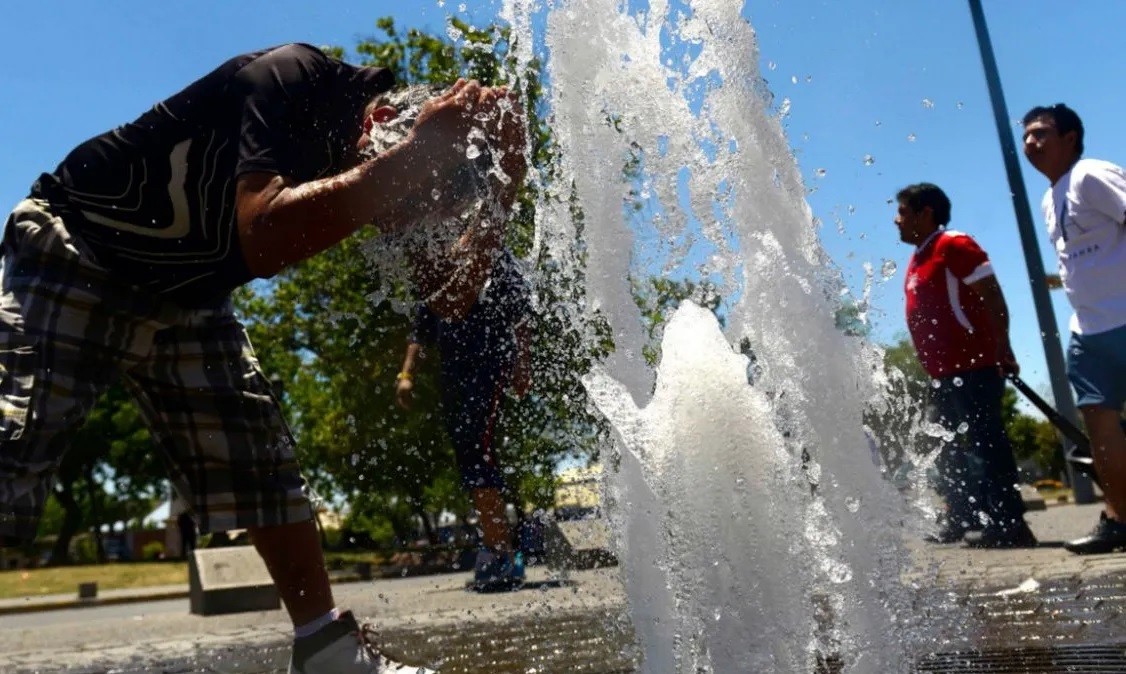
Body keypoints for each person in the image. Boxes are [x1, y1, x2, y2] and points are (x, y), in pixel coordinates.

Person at [0, 42, 526, 674]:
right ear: (383, 131)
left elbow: (452, 295)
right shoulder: (292, 76)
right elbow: (265, 232)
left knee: (259, 460)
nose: (395, 225)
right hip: (78, 244)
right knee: (13, 442)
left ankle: (328, 651)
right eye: (409, 203)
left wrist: (507, 185)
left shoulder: (383, 169)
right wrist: (415, 161)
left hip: (189, 293)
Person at [896, 183, 1037, 548]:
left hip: (973, 368)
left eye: (903, 212)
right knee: (947, 450)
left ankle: (1010, 524)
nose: (896, 221)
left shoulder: (954, 245)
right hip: (941, 374)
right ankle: (961, 518)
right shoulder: (919, 256)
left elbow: (992, 294)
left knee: (986, 444)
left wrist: (1002, 347)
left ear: (926, 213)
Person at [1022, 103, 1126, 554]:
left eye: (1042, 133)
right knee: (1100, 427)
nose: (1031, 142)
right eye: (1027, 135)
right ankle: (1119, 519)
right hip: (1087, 331)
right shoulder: (1051, 197)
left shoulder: (1091, 174)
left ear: (1070, 138)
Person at [396, 247, 532, 591]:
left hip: (490, 361)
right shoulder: (437, 257)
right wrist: (406, 373)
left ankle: (501, 552)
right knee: (468, 455)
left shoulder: (493, 252)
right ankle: (496, 546)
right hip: (452, 372)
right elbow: (422, 330)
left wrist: (522, 362)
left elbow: (520, 313)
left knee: (476, 445)